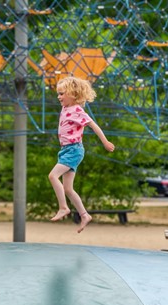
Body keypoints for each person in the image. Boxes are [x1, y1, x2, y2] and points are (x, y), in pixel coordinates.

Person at [48, 76, 115, 233]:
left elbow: (94, 125)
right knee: (68, 189)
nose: (59, 97)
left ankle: (63, 207)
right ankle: (84, 215)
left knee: (52, 176)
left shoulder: (77, 110)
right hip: (66, 150)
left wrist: (105, 142)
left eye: (62, 93)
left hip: (73, 150)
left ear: (73, 94)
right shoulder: (66, 108)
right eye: (58, 93)